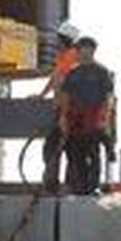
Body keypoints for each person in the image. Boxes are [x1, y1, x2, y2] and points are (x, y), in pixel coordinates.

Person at [55, 35, 115, 195]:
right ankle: (78, 186)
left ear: (93, 51)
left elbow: (108, 97)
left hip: (93, 117)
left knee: (93, 153)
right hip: (74, 119)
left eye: (87, 49)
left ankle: (92, 186)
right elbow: (65, 97)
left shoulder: (102, 72)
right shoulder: (72, 73)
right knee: (75, 153)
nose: (83, 53)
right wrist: (62, 118)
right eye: (81, 49)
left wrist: (105, 118)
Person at [40, 20, 81, 193]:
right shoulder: (62, 57)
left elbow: (65, 83)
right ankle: (53, 183)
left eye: (59, 39)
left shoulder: (73, 57)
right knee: (53, 147)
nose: (55, 42)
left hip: (69, 110)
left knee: (68, 147)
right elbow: (55, 78)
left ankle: (68, 185)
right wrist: (42, 95)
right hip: (60, 109)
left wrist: (65, 113)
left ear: (65, 39)